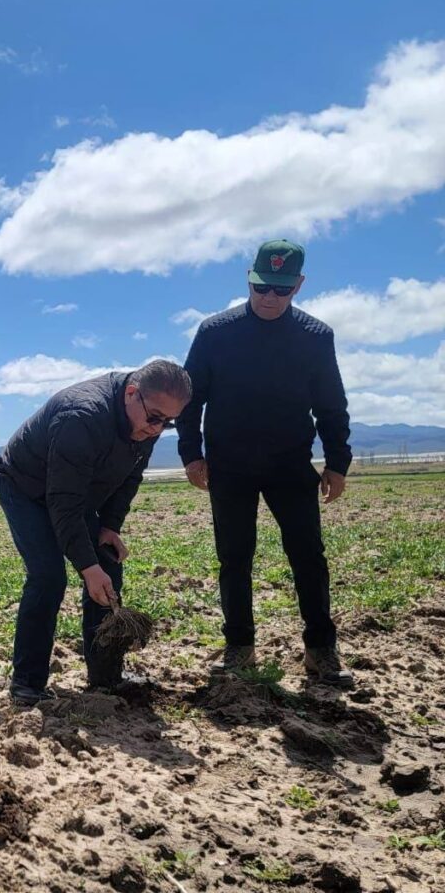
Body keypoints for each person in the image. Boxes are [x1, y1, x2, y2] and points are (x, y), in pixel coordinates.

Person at [177, 239, 354, 688]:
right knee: (234, 557)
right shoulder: (215, 332)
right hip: (229, 466)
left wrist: (338, 462)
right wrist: (192, 454)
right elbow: (190, 399)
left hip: (290, 464)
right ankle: (239, 647)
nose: (270, 298)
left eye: (281, 289)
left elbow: (331, 406)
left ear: (299, 285)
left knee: (309, 557)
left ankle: (321, 650)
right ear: (249, 279)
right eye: (261, 288)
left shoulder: (316, 337)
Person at [0, 360, 192, 705]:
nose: (159, 429)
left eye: (169, 422)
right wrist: (87, 568)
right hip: (26, 487)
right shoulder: (81, 417)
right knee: (48, 577)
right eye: (156, 418)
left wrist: (109, 527)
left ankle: (105, 676)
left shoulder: (144, 423)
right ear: (132, 394)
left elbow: (129, 477)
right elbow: (63, 502)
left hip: (74, 491)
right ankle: (27, 684)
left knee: (108, 564)